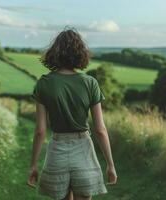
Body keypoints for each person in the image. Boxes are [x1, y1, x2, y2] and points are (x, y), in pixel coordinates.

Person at [26, 27, 117, 200]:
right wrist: (110, 165)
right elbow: (100, 129)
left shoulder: (44, 83)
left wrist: (33, 165)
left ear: (55, 53)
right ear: (80, 53)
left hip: (57, 151)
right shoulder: (90, 83)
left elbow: (40, 131)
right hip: (83, 149)